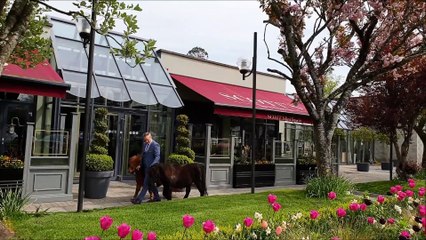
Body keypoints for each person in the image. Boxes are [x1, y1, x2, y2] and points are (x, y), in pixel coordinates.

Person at [131, 132, 161, 204]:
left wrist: (152, 165)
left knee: (145, 184)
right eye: (145, 140)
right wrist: (140, 165)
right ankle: (157, 197)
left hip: (152, 169)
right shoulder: (145, 145)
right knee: (151, 184)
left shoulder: (155, 145)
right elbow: (143, 156)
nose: (146, 141)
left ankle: (138, 200)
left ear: (150, 137)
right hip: (145, 168)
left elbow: (157, 157)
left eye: (147, 140)